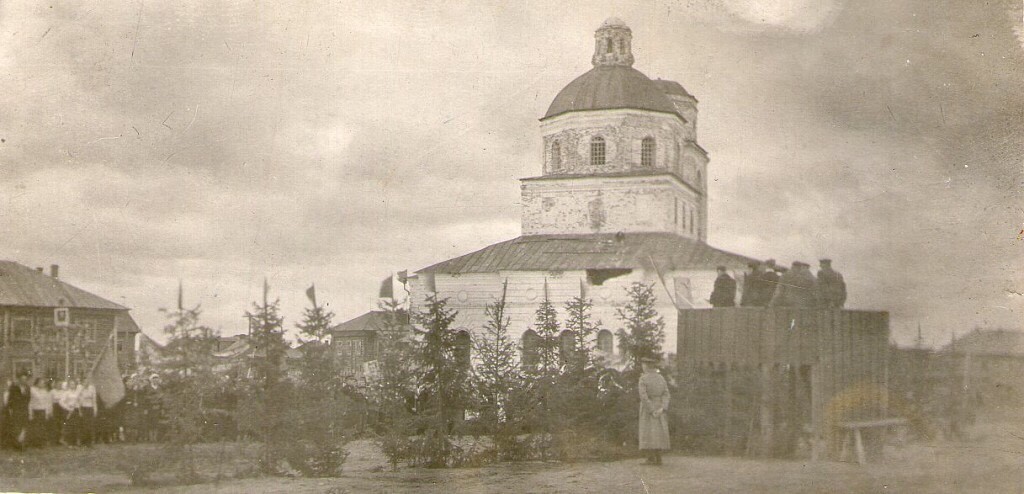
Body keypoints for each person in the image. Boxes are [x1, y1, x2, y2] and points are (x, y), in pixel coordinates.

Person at [638, 356, 670, 465]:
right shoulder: (661, 378)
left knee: (648, 432)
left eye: (643, 365)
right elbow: (666, 394)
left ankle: (651, 458)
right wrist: (662, 408)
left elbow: (643, 396)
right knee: (658, 432)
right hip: (659, 406)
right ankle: (658, 457)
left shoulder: (643, 378)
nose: (642, 366)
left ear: (646, 366)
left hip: (648, 408)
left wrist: (651, 410)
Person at [5, 373, 31, 450]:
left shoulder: (27, 388)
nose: (24, 381)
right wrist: (11, 409)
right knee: (17, 427)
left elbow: (28, 399)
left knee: (24, 426)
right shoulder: (14, 388)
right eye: (22, 379)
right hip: (16, 410)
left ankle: (23, 443)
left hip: (25, 410)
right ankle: (17, 445)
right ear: (19, 380)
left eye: (25, 379)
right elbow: (10, 399)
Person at [28, 377, 52, 448]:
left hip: (43, 410)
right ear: (37, 383)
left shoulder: (44, 391)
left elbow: (47, 402)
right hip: (35, 410)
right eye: (41, 382)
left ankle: (40, 443)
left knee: (42, 427)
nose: (43, 384)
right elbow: (30, 402)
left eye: (43, 383)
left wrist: (47, 412)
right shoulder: (32, 390)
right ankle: (34, 442)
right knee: (35, 427)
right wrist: (30, 412)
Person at [78, 378, 97, 447]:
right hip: (83, 408)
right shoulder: (80, 389)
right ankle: (82, 441)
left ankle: (89, 442)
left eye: (87, 381)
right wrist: (80, 411)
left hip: (90, 408)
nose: (86, 383)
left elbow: (94, 400)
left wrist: (95, 410)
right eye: (84, 382)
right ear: (82, 382)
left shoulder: (92, 389)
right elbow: (78, 400)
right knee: (83, 425)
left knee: (90, 425)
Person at [61, 379, 80, 446]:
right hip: (68, 411)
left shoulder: (77, 393)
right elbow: (61, 402)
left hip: (75, 410)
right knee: (69, 427)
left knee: (76, 426)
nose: (73, 385)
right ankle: (69, 443)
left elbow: (78, 402)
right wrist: (68, 407)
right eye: (71, 384)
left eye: (74, 384)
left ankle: (75, 442)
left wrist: (77, 408)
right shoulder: (66, 393)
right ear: (69, 385)